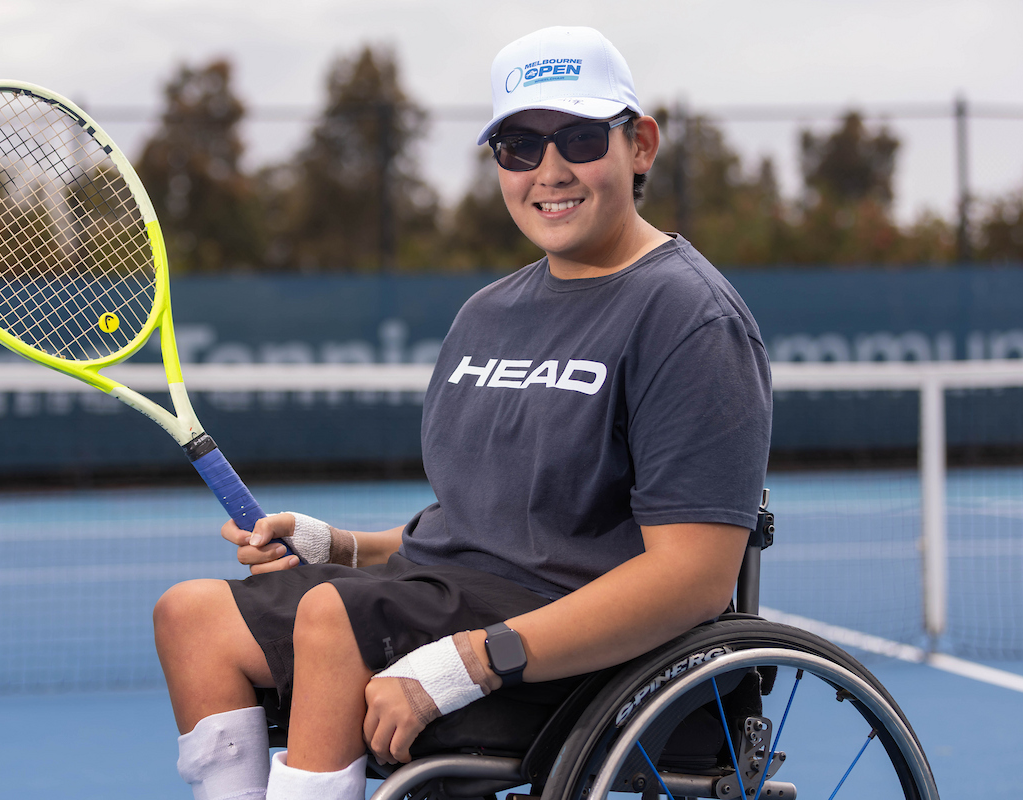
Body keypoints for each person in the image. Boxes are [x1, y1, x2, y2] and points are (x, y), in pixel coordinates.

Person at [153, 25, 773, 800]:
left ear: (640, 145)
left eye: (580, 138)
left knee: (332, 620)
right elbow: (480, 529)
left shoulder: (690, 317)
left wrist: (474, 660)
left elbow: (693, 580)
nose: (550, 170)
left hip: (588, 654)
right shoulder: (486, 314)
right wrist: (339, 546)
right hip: (451, 602)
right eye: (520, 147)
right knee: (192, 617)